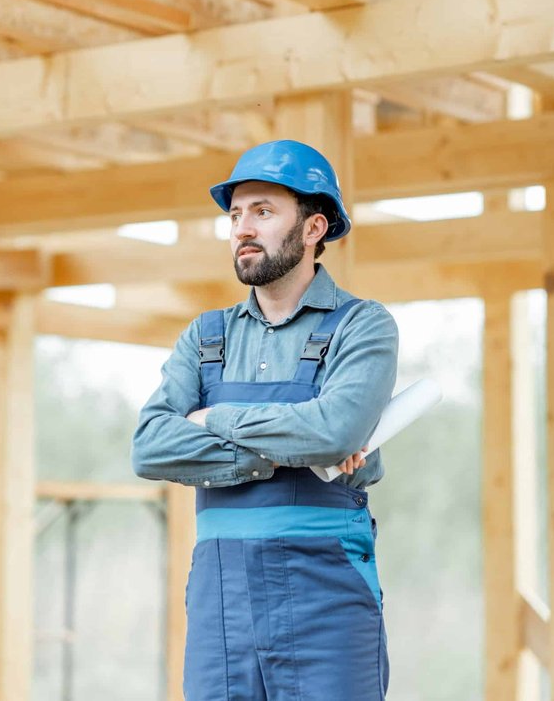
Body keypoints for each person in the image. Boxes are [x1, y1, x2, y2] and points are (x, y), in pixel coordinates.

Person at [131, 139, 399, 701]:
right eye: (235, 215)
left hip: (326, 588)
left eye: (263, 211)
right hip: (221, 596)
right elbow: (150, 446)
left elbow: (335, 432)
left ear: (313, 228)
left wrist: (214, 418)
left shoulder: (362, 326)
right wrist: (292, 447)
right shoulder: (206, 336)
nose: (243, 229)